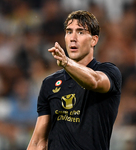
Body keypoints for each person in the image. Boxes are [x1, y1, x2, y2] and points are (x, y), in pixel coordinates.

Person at [27, 10, 122, 150]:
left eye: (81, 32)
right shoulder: (49, 83)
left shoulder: (109, 72)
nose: (73, 38)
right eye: (69, 31)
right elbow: (38, 142)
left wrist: (66, 63)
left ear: (94, 40)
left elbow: (93, 81)